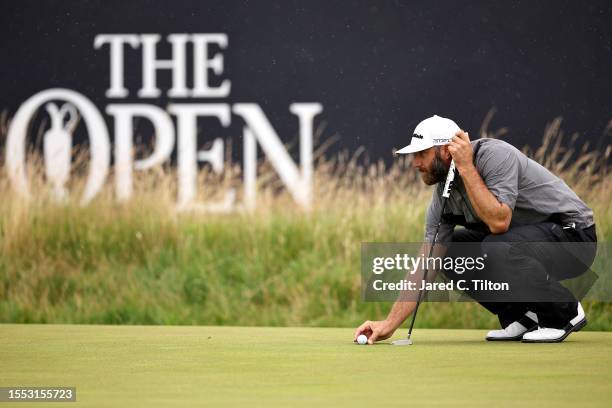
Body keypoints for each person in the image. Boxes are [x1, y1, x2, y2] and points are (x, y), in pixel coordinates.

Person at [354, 115, 597, 344]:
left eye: (422, 153)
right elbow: (426, 263)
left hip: (574, 238)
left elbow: (499, 222)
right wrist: (389, 324)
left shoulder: (495, 156)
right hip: (527, 243)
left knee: (498, 245)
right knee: (448, 254)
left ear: (447, 150)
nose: (416, 163)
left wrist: (466, 167)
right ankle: (524, 315)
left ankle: (563, 312)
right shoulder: (443, 196)